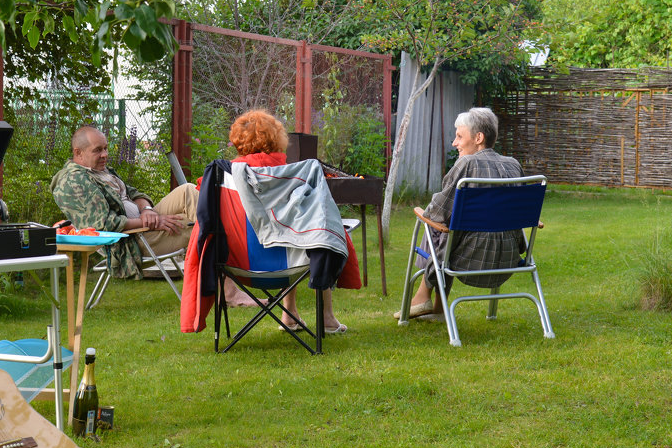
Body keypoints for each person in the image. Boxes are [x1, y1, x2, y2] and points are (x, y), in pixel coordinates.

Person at [181, 110, 359, 334]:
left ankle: (289, 314)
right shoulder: (294, 177)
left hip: (240, 267)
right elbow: (320, 224)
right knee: (313, 233)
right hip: (289, 266)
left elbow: (203, 234)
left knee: (289, 236)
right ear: (277, 139)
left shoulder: (220, 180)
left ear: (237, 142)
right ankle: (327, 318)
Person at [395, 107, 525, 320]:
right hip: (508, 259)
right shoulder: (513, 165)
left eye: (459, 136)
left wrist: (422, 211)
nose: (454, 143)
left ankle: (423, 296)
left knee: (432, 224)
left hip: (470, 260)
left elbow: (437, 210)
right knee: (448, 226)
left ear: (478, 138)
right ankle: (436, 306)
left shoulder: (466, 164)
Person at [51, 124, 198, 279]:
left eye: (106, 148)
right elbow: (104, 225)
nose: (105, 155)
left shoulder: (100, 171)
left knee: (188, 190)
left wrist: (147, 209)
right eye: (97, 150)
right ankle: (225, 283)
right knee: (201, 225)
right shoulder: (74, 181)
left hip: (146, 225)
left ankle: (224, 261)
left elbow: (134, 193)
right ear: (78, 153)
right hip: (131, 241)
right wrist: (145, 222)